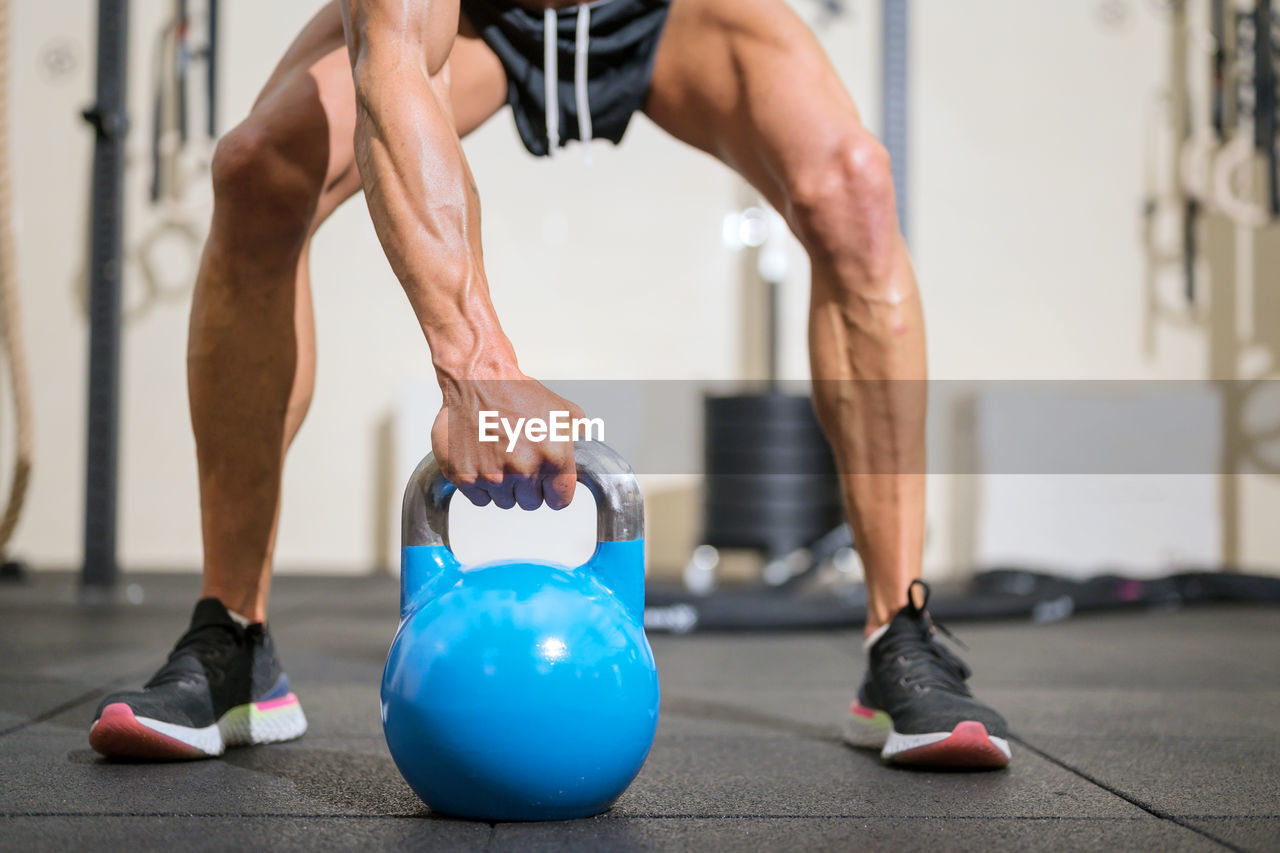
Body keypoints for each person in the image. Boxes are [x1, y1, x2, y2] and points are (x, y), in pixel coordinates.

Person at [87, 0, 1011, 769]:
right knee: (257, 168)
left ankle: (901, 632)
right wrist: (479, 367)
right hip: (483, 18)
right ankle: (233, 634)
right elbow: (395, 62)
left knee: (854, 184)